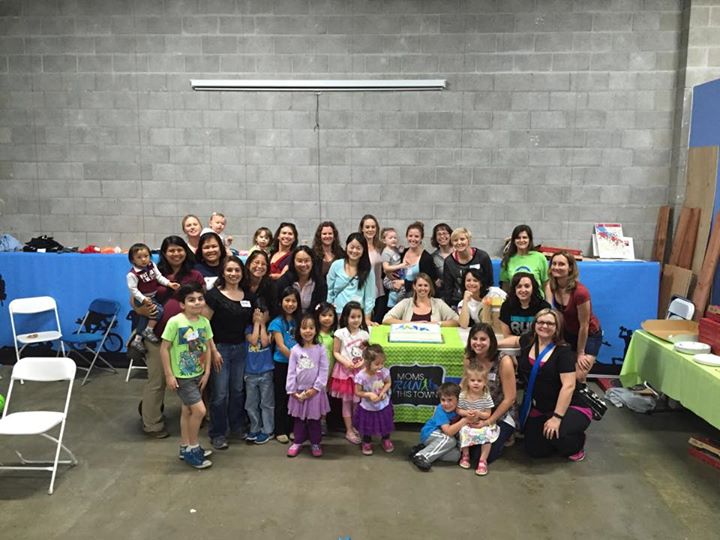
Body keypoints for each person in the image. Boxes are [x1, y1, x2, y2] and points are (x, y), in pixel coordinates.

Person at [500, 309, 590, 461]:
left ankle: (576, 444)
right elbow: (514, 340)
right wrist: (490, 342)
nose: (544, 326)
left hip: (569, 406)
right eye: (541, 322)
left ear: (557, 327)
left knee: (557, 432)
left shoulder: (564, 352)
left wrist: (557, 417)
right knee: (535, 450)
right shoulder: (528, 341)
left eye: (550, 323)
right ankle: (551, 439)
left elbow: (568, 386)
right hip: (541, 407)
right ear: (535, 324)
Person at [139, 236, 204, 439]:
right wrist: (141, 310)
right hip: (157, 336)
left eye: (179, 249)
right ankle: (152, 424)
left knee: (192, 379)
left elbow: (202, 304)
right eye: (171, 250)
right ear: (164, 254)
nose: (176, 254)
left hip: (188, 339)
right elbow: (136, 299)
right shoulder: (152, 274)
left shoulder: (195, 275)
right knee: (157, 380)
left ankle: (193, 418)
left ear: (186, 251)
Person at [159, 282, 214, 469]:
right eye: (191, 300)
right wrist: (169, 375)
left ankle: (184, 446)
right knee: (200, 411)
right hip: (182, 376)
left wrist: (206, 372)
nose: (197, 303)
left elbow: (206, 348)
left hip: (198, 373)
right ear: (182, 304)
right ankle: (193, 448)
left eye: (200, 299)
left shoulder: (204, 322)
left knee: (187, 410)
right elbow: (164, 348)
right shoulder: (175, 322)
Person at [204, 256, 254, 450]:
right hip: (220, 349)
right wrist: (213, 351)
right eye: (229, 270)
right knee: (220, 393)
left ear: (242, 273)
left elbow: (256, 317)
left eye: (237, 270)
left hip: (241, 348)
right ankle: (217, 432)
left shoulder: (248, 296)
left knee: (237, 390)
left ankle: (237, 426)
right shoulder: (213, 296)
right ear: (223, 273)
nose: (233, 274)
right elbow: (204, 325)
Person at [464, 322, 518, 466]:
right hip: (478, 409)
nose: (478, 343)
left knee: (479, 456)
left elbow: (510, 398)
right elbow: (465, 387)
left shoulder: (503, 361)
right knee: (464, 447)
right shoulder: (469, 359)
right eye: (474, 338)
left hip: (502, 414)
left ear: (491, 341)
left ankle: (507, 435)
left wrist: (488, 421)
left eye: (483, 339)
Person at [547, 251, 602, 382]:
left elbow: (584, 325)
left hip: (588, 334)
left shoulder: (580, 293)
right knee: (558, 373)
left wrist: (580, 353)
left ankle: (580, 400)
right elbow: (552, 313)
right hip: (567, 333)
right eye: (554, 264)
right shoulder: (550, 286)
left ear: (570, 268)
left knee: (578, 377)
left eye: (561, 264)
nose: (556, 267)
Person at [286, 313, 331, 458]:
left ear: (316, 330)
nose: (307, 331)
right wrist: (292, 391)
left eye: (311, 328)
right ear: (299, 330)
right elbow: (291, 372)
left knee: (314, 420)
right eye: (304, 327)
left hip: (315, 393)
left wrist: (315, 388)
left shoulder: (320, 349)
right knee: (299, 419)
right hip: (298, 392)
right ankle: (297, 442)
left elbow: (324, 370)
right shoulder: (295, 350)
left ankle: (315, 443)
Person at [126, 242, 179, 350]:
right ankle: (149, 330)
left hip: (151, 296)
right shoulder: (132, 274)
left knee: (145, 318)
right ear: (132, 260)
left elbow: (159, 277)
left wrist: (169, 283)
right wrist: (143, 299)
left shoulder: (152, 265)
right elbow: (134, 290)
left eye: (146, 256)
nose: (144, 259)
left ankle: (137, 339)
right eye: (139, 257)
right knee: (158, 311)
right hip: (142, 298)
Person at [330, 301, 369, 445]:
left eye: (359, 316)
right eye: (353, 317)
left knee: (358, 402)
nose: (356, 320)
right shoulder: (340, 333)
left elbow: (367, 354)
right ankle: (348, 430)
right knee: (346, 402)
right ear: (346, 317)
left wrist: (362, 363)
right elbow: (335, 351)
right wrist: (345, 362)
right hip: (344, 373)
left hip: (360, 373)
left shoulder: (365, 334)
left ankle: (356, 426)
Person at [409, 382, 468, 472]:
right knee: (450, 440)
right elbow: (448, 431)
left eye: (450, 400)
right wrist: (464, 420)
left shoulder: (460, 408)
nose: (446, 403)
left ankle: (423, 449)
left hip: (441, 437)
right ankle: (421, 456)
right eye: (443, 400)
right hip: (430, 433)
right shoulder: (441, 409)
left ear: (458, 400)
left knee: (456, 456)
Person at [268, 286, 301, 443]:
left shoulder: (300, 321)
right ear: (281, 302)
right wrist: (297, 360)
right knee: (281, 397)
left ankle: (294, 428)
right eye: (287, 300)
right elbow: (281, 346)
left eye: (294, 301)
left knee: (295, 397)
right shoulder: (276, 323)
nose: (290, 304)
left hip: (299, 366)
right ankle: (280, 430)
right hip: (282, 364)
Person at [457, 363, 500, 476]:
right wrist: (466, 413)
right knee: (463, 431)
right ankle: (465, 455)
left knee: (487, 436)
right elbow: (458, 410)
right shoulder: (463, 395)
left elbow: (488, 414)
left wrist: (480, 414)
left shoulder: (486, 396)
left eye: (479, 381)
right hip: (467, 422)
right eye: (472, 380)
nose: (476, 383)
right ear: (468, 381)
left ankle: (482, 460)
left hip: (481, 423)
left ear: (485, 382)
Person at [326, 232, 376, 327]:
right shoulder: (336, 265)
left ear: (363, 250)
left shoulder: (368, 270)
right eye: (352, 247)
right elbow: (329, 290)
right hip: (338, 313)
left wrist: (367, 319)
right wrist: (328, 311)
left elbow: (370, 297)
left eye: (358, 248)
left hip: (357, 316)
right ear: (346, 247)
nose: (354, 251)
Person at [353, 344, 394, 456]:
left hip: (383, 404)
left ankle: (385, 439)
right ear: (367, 362)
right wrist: (369, 394)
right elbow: (357, 392)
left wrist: (383, 392)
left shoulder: (384, 372)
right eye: (377, 364)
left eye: (382, 363)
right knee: (368, 425)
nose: (380, 366)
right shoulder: (361, 376)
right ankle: (367, 441)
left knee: (385, 423)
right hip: (368, 407)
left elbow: (388, 382)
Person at [244, 300, 274, 445]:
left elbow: (265, 341)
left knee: (266, 403)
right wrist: (256, 324)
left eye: (263, 314)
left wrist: (262, 324)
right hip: (250, 373)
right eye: (257, 314)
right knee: (251, 403)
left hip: (266, 372)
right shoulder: (248, 329)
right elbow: (254, 341)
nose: (260, 316)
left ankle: (268, 430)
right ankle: (254, 428)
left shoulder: (270, 329)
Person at [442, 227, 493, 309]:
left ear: (468, 240)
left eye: (462, 239)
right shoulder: (449, 261)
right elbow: (448, 287)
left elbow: (489, 281)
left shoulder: (482, 257)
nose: (459, 242)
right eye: (455, 240)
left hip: (480, 300)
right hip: (458, 302)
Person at [382, 273, 459, 326]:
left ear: (430, 287)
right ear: (414, 287)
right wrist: (411, 324)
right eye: (420, 285)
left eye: (426, 285)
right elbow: (386, 319)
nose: (423, 288)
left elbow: (457, 321)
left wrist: (437, 324)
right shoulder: (405, 303)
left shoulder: (438, 303)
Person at [274, 246, 328, 315]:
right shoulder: (284, 281)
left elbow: (320, 307)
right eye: (299, 261)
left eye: (306, 261)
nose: (303, 264)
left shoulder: (320, 283)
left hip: (310, 322)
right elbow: (276, 304)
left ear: (312, 261)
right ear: (293, 262)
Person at [500, 225, 548, 297]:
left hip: (537, 302)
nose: (521, 240)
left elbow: (546, 284)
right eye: (518, 238)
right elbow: (505, 287)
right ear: (513, 240)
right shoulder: (508, 259)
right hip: (515, 302)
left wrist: (547, 303)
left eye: (524, 237)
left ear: (530, 239)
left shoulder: (540, 258)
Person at [499, 272, 551, 337]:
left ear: (533, 288)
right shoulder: (506, 306)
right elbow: (507, 335)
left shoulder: (543, 307)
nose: (523, 290)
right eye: (519, 286)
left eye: (527, 286)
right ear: (514, 289)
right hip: (511, 345)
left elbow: (545, 335)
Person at [316, 301, 338, 434]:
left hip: (331, 371)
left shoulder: (336, 334)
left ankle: (323, 421)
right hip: (316, 373)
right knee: (315, 397)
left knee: (325, 398)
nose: (327, 318)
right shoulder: (314, 333)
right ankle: (313, 421)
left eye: (330, 315)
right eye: (323, 315)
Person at [359, 215, 386, 324]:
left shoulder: (382, 247)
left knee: (376, 323)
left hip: (380, 291)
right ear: (362, 229)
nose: (370, 230)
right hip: (363, 291)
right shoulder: (358, 246)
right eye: (367, 227)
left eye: (373, 227)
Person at [401, 221, 439, 296]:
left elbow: (427, 283)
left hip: (417, 297)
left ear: (421, 238)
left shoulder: (426, 258)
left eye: (416, 236)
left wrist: (403, 283)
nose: (413, 239)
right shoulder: (402, 253)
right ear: (406, 236)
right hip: (398, 296)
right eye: (410, 236)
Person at [380, 227, 407, 309]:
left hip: (397, 275)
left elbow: (397, 256)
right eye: (390, 238)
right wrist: (401, 265)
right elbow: (386, 268)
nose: (393, 240)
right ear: (384, 240)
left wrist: (401, 250)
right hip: (388, 279)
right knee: (402, 289)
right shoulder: (386, 252)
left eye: (395, 238)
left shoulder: (394, 249)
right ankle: (398, 307)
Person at [430, 223, 453, 290]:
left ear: (451, 235)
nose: (442, 236)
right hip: (442, 294)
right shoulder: (433, 257)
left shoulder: (458, 253)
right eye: (439, 234)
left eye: (445, 233)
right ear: (435, 237)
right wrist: (435, 281)